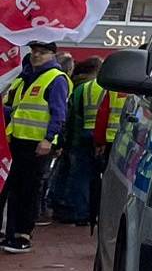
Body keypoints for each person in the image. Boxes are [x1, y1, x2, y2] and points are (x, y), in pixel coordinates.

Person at [2, 41, 71, 252]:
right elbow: (14, 108)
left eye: (42, 52)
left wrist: (49, 139)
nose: (36, 56)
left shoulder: (56, 79)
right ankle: (12, 232)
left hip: (37, 143)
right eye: (34, 52)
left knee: (30, 190)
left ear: (52, 55)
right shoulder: (25, 77)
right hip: (17, 140)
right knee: (14, 188)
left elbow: (58, 113)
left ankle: (23, 234)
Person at [50, 56, 101, 225]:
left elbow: (72, 114)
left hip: (79, 136)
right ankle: (81, 212)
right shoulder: (100, 87)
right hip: (95, 137)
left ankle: (68, 208)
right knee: (85, 176)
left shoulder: (79, 87)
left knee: (74, 174)